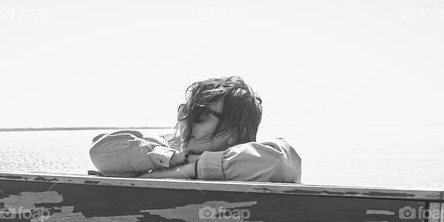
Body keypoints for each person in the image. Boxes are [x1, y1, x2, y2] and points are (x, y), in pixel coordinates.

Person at [88, 76, 301, 182]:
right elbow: (101, 152)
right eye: (185, 113)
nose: (186, 122)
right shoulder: (168, 146)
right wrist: (172, 158)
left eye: (199, 117)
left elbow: (280, 162)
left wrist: (192, 168)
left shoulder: (258, 158)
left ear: (234, 132)